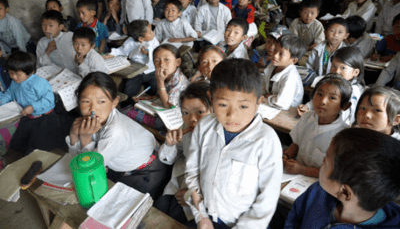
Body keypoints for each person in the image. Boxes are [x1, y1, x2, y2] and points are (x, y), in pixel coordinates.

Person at [185, 58, 283, 228]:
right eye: (222, 104)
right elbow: (193, 172)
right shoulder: (204, 126)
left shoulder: (267, 141)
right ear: (211, 98)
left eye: (243, 107)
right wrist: (200, 214)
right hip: (206, 218)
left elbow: (267, 199)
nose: (232, 115)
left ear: (258, 103)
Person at [66, 72, 169, 200]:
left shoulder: (116, 132)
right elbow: (77, 160)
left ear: (114, 102)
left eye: (101, 101)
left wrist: (85, 139)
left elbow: (91, 172)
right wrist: (74, 134)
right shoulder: (97, 120)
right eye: (86, 101)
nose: (93, 109)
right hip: (123, 164)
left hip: (147, 171)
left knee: (101, 200)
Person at [284, 128, 400, 228]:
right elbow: (295, 217)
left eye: (326, 160)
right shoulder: (317, 192)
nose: (322, 161)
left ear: (344, 192)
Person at [155, 82, 212, 226]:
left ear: (213, 111)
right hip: (181, 183)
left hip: (203, 197)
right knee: (158, 208)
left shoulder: (218, 139)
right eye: (186, 113)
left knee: (177, 219)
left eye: (200, 112)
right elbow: (168, 159)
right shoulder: (185, 128)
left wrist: (190, 195)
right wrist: (170, 144)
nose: (192, 119)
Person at [283, 74, 351, 178]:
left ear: (345, 106)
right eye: (319, 94)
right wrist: (286, 155)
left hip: (318, 182)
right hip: (295, 175)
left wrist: (303, 170)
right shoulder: (306, 117)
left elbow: (334, 173)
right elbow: (296, 143)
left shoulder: (344, 135)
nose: (323, 101)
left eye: (332, 98)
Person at [1, 52, 69, 154]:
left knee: (39, 148)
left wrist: (33, 107)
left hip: (44, 118)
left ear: (30, 72)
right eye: (11, 73)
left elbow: (49, 100)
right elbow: (10, 92)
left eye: (18, 74)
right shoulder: (15, 82)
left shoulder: (38, 83)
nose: (14, 77)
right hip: (28, 116)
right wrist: (2, 101)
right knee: (20, 142)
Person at [299, 46, 365, 125]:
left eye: (343, 68)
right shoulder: (330, 82)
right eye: (333, 66)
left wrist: (313, 115)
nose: (337, 71)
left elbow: (345, 119)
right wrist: (308, 107)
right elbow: (320, 98)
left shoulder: (353, 92)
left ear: (356, 72)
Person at [104, 20, 159, 99]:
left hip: (151, 70)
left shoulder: (154, 41)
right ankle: (129, 103)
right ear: (141, 38)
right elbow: (121, 50)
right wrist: (110, 55)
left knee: (155, 88)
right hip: (136, 72)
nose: (153, 33)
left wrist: (148, 53)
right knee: (129, 92)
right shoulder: (130, 42)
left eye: (151, 31)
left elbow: (157, 52)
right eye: (150, 32)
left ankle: (149, 97)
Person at [263, 35, 307, 110]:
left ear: (293, 61)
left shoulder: (290, 77)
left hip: (288, 112)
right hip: (270, 104)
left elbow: (281, 103)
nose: (275, 56)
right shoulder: (272, 65)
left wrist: (269, 97)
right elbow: (263, 84)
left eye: (281, 54)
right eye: (275, 50)